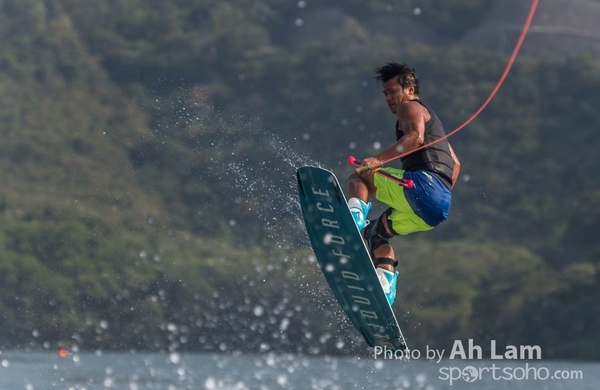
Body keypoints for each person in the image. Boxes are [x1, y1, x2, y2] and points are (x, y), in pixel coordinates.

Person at [346, 62, 461, 306]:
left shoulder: (409, 107)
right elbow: (456, 165)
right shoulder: (435, 125)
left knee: (359, 177)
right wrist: (437, 195)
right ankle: (385, 287)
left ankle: (352, 219)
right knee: (376, 234)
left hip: (422, 186)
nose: (388, 98)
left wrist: (377, 160)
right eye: (385, 93)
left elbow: (415, 138)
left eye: (392, 91)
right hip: (436, 210)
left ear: (409, 89)